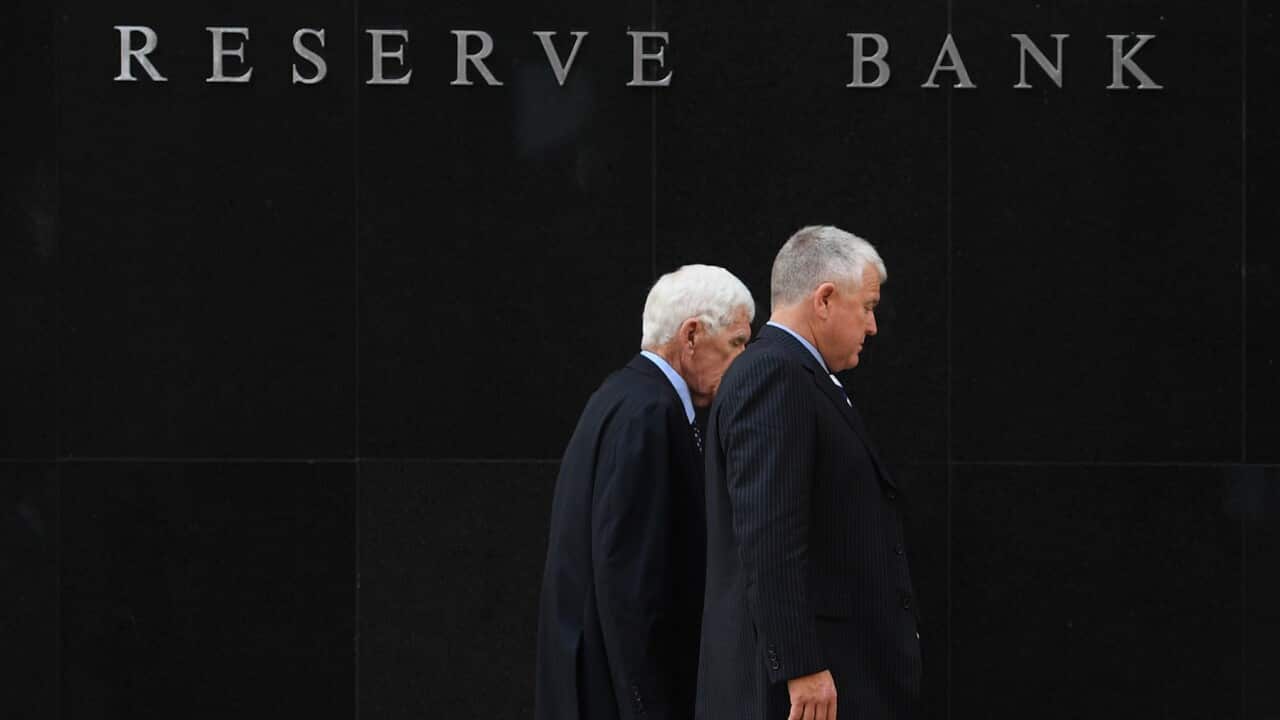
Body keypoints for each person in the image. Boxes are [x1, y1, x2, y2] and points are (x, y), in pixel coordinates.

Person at [696, 226, 921, 720]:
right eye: (867, 306)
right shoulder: (775, 374)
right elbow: (769, 531)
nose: (873, 325)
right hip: (809, 691)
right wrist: (801, 665)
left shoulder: (799, 375)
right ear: (824, 299)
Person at [535, 264, 755, 720]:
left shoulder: (622, 396)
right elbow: (630, 582)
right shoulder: (650, 412)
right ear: (691, 336)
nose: (743, 362)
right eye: (736, 344)